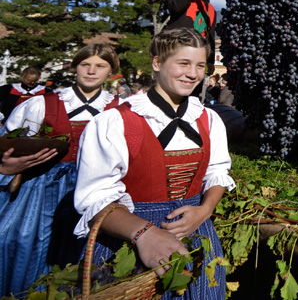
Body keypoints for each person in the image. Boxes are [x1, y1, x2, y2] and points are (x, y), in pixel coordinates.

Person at [73, 28, 234, 299]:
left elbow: (217, 171)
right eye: (183, 63)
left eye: (199, 65)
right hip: (128, 239)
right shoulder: (114, 122)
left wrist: (205, 210)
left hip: (197, 234)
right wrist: (144, 234)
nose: (193, 74)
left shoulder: (208, 119)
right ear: (157, 63)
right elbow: (94, 198)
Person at [0, 44, 120, 296]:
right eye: (85, 64)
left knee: (85, 253)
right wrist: (7, 165)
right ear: (75, 66)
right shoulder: (41, 104)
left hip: (95, 190)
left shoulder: (119, 109)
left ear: (111, 71)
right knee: (22, 243)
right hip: (42, 188)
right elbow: (8, 143)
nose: (91, 71)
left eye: (100, 66)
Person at [165, 0, 219, 79]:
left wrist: (210, 60)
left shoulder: (212, 9)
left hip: (198, 56)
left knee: (194, 92)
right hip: (177, 50)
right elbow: (176, 7)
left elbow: (210, 36)